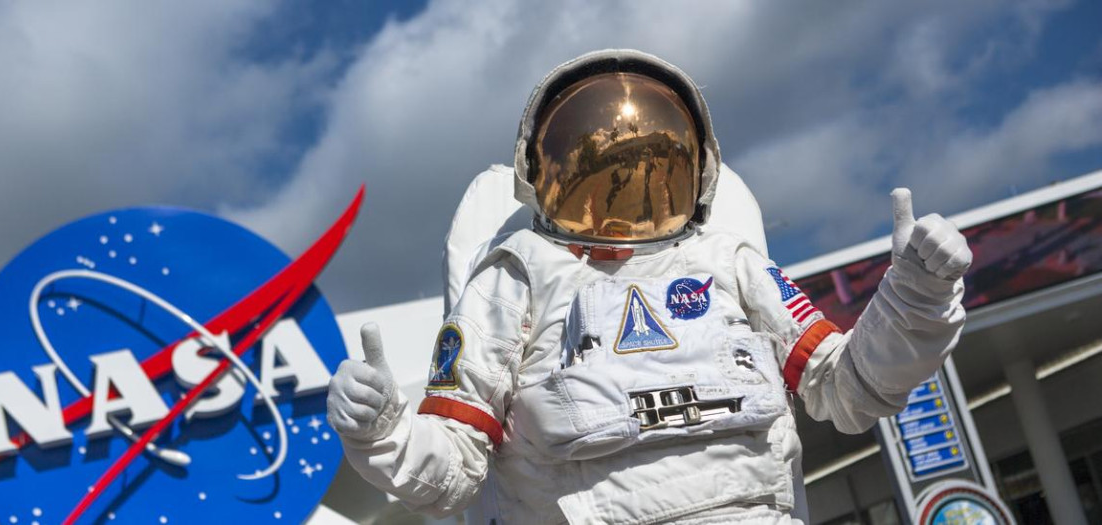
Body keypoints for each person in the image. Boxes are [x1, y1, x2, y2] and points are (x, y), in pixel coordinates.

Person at [326, 49, 971, 524]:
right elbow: (453, 470)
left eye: (653, 165)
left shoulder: (729, 260)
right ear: (538, 174)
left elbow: (849, 389)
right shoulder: (516, 273)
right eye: (595, 168)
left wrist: (915, 297)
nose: (623, 190)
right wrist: (383, 431)